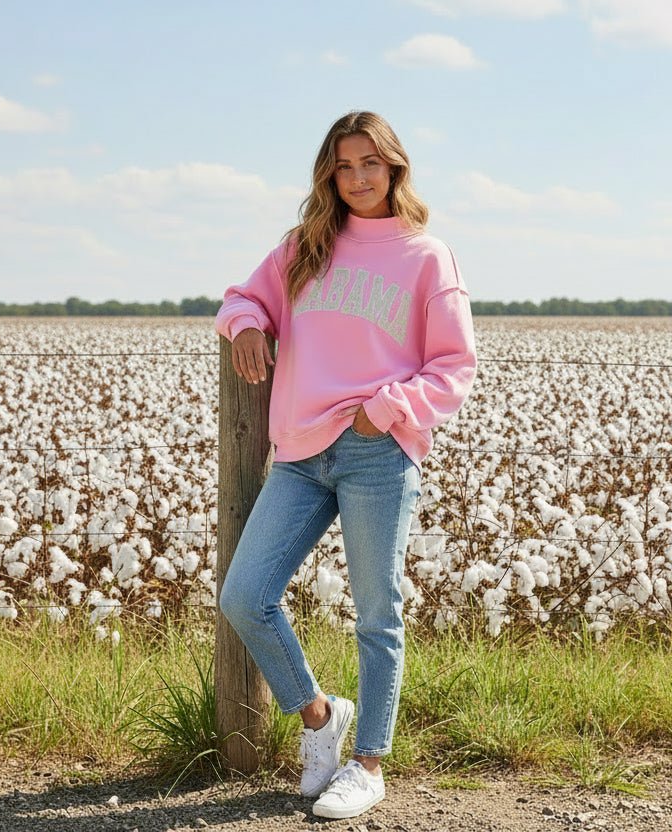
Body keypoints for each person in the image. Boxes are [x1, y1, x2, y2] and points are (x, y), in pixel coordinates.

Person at [215, 110, 476, 820]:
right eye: (343, 165)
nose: (357, 177)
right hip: (299, 453)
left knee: (376, 614)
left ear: (394, 167)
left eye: (370, 163)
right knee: (244, 596)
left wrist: (384, 410)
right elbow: (242, 297)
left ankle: (366, 765)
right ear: (328, 174)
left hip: (375, 452)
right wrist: (245, 324)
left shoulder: (426, 255)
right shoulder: (305, 246)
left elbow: (452, 366)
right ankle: (319, 716)